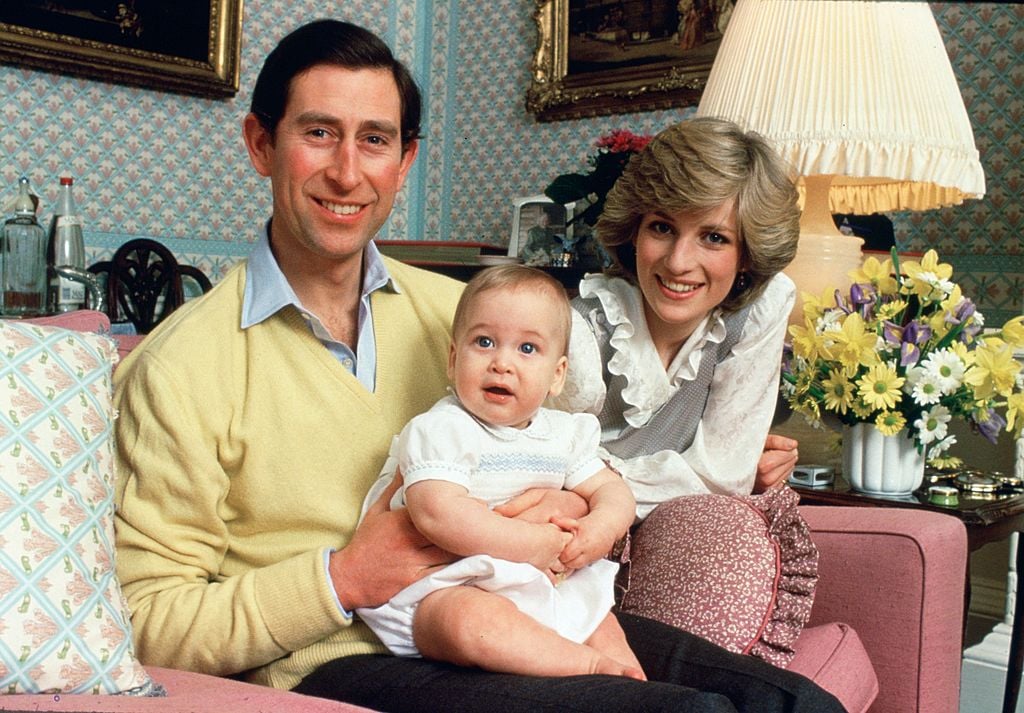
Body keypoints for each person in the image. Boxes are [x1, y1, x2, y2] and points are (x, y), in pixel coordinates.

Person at [113, 18, 843, 713]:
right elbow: (146, 620)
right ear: (260, 144)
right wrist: (342, 577)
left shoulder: (466, 318)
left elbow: (565, 452)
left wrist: (577, 502)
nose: (346, 171)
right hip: (343, 654)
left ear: (405, 161)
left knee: (798, 703)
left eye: (374, 140)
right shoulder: (181, 366)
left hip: (522, 606)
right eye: (318, 134)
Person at [357, 265, 642, 680]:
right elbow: (438, 514)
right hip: (443, 586)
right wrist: (532, 543)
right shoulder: (442, 430)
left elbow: (613, 492)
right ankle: (589, 667)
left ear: (557, 375)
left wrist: (600, 528)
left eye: (527, 349)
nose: (502, 364)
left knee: (598, 614)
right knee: (469, 622)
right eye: (484, 342)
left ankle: (635, 684)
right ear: (454, 359)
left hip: (541, 581)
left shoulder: (562, 435)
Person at [549, 116, 803, 520]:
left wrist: (598, 489)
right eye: (663, 227)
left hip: (675, 525)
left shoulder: (759, 312)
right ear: (634, 232)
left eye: (714, 237)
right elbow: (533, 472)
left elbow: (724, 477)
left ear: (748, 255)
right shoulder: (579, 329)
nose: (679, 262)